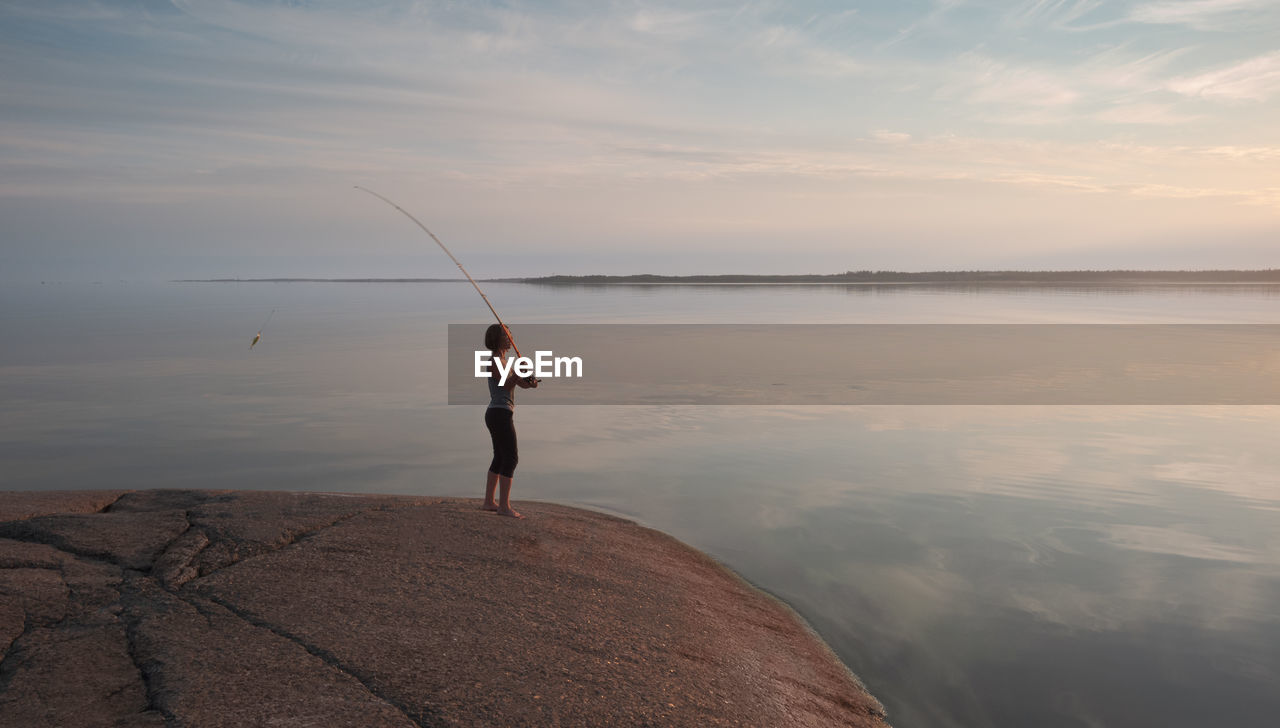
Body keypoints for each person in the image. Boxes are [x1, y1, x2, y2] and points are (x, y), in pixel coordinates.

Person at [481, 323, 537, 518]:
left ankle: (489, 502)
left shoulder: (505, 362)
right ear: (498, 339)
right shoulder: (495, 361)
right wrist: (518, 373)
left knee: (499, 457)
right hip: (499, 413)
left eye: (511, 335)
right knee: (511, 458)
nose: (511, 338)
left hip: (501, 413)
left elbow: (523, 385)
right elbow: (505, 384)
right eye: (507, 336)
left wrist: (530, 379)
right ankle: (504, 506)